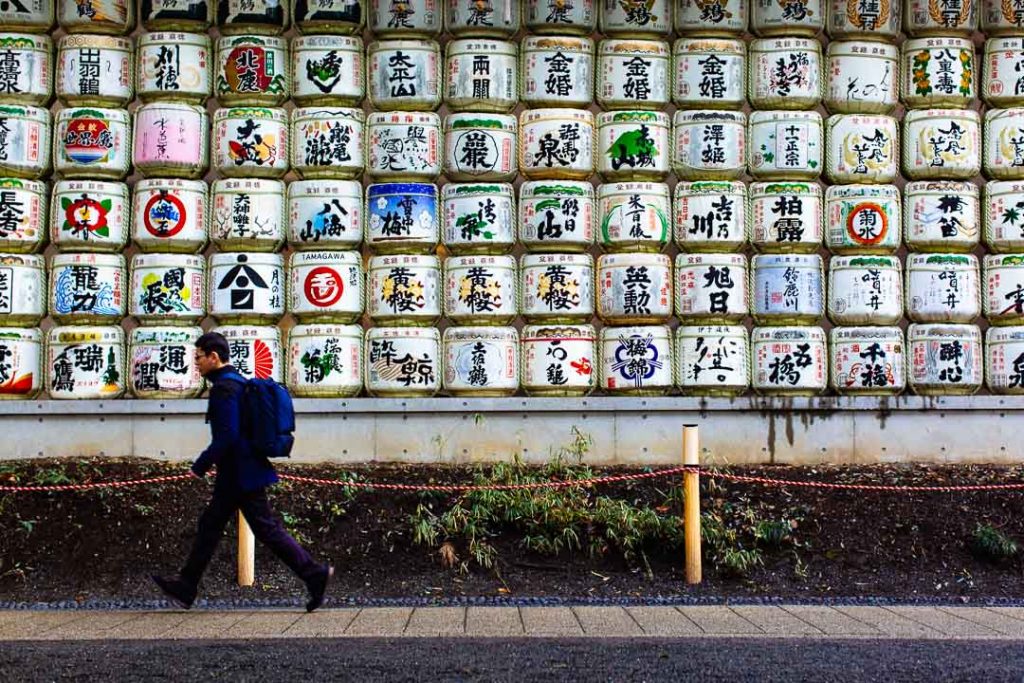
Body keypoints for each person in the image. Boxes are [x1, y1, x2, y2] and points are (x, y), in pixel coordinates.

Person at [152, 332, 333, 612]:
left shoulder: (225, 388)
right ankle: (186, 585)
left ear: (214, 357)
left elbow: (228, 436)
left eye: (199, 357)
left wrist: (199, 466)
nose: (196, 363)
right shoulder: (236, 382)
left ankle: (314, 573)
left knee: (265, 528)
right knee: (211, 526)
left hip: (240, 473)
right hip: (239, 470)